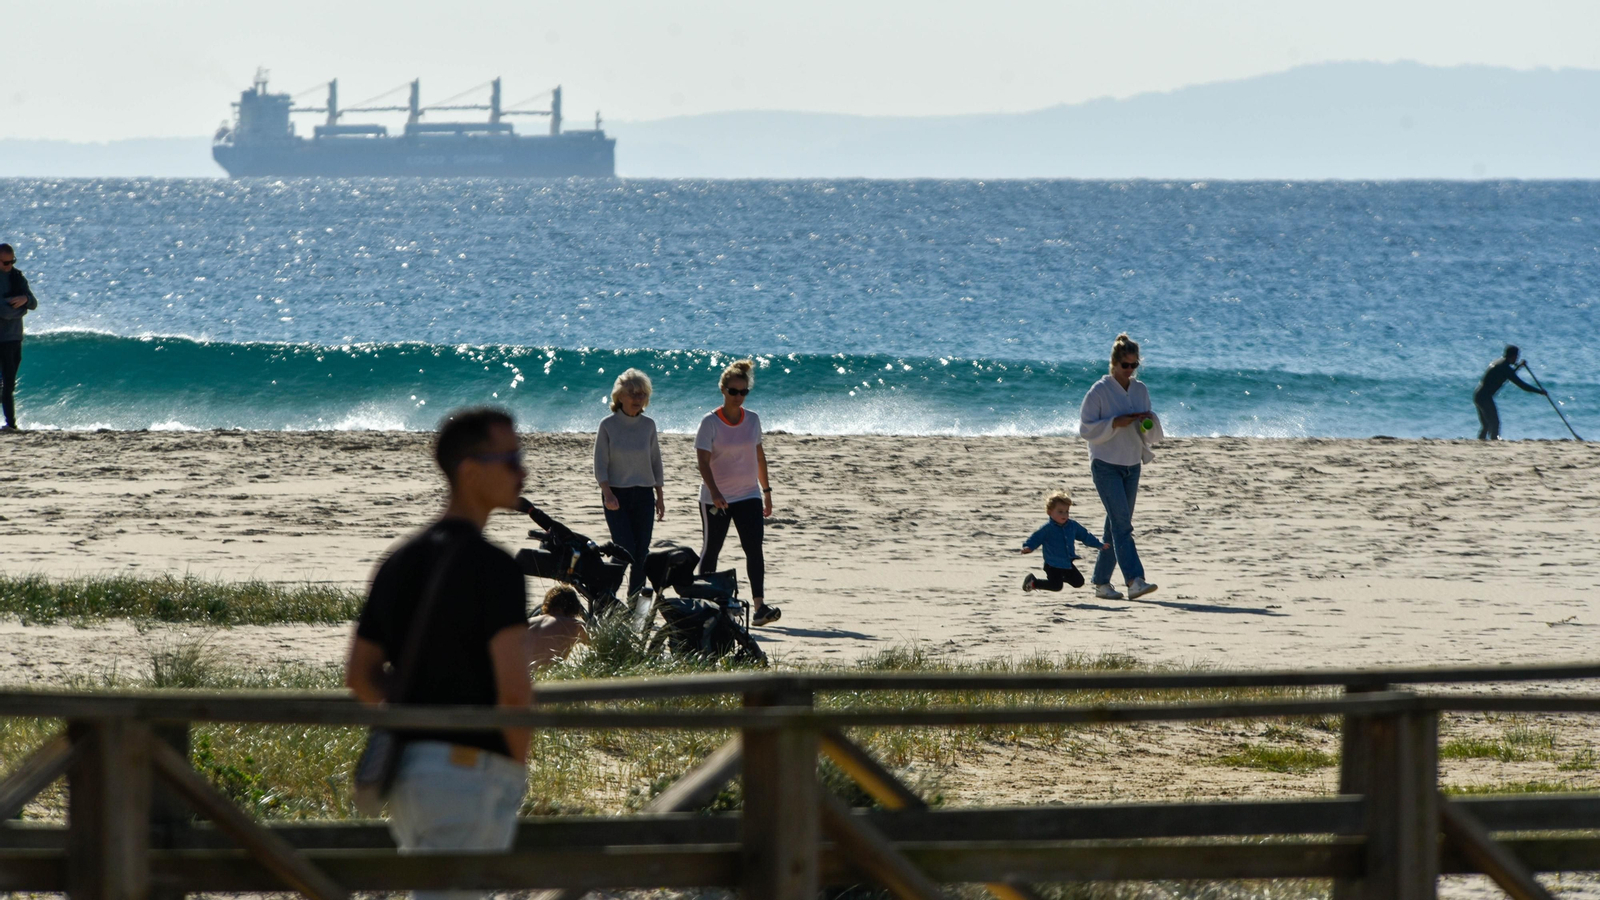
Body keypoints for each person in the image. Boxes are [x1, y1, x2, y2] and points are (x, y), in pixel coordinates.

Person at [344, 407, 531, 898]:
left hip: (410, 772)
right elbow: (514, 691)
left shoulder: (399, 561)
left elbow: (361, 675)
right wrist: (514, 768)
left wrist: (416, 710)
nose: (522, 471)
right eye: (510, 459)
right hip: (472, 770)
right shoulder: (496, 569)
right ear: (471, 471)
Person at [695, 359, 781, 626]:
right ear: (723, 390)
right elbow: (702, 461)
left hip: (748, 494)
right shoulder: (710, 422)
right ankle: (703, 604)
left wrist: (766, 491)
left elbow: (759, 457)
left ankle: (759, 607)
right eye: (733, 392)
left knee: (754, 549)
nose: (738, 397)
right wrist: (715, 491)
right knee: (712, 550)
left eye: (743, 392)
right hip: (716, 498)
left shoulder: (752, 419)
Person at [1079, 333, 1163, 601]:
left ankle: (1102, 583)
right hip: (1105, 465)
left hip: (1131, 464)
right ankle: (1134, 580)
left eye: (1134, 365)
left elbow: (1150, 433)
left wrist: (1146, 422)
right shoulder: (1099, 391)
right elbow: (1085, 429)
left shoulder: (1140, 390)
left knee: (1115, 526)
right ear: (1114, 364)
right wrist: (1116, 422)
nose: (1129, 370)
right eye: (1125, 365)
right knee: (1122, 525)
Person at [594, 368, 666, 598]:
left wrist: (660, 495)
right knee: (624, 549)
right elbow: (600, 463)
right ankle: (607, 595)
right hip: (616, 495)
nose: (638, 398)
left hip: (644, 494)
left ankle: (635, 603)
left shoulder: (648, 425)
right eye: (633, 393)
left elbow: (655, 460)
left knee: (641, 553)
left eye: (642, 394)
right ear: (619, 397)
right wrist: (607, 493)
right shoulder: (608, 425)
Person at [1020, 489, 1108, 593]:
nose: (1064, 515)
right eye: (1060, 512)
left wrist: (1098, 544)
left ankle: (1060, 578)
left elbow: (1085, 536)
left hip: (1067, 563)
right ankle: (1033, 582)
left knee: (1078, 582)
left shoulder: (1072, 526)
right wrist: (1028, 547)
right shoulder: (1047, 528)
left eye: (1067, 511)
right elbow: (1036, 537)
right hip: (1052, 564)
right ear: (1050, 512)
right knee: (1056, 586)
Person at [0, 244, 40, 432]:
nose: (9, 265)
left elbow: (33, 303)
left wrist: (25, 300)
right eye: (5, 263)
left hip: (15, 337)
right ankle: (11, 424)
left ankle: (10, 424)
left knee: (9, 383)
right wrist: (21, 309)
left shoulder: (17, 277)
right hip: (1, 339)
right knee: (5, 383)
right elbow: (4, 311)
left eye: (12, 261)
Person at [1474, 345, 1545, 441]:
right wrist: (1540, 391)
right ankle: (1494, 441)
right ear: (1513, 356)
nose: (1517, 358)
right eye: (1517, 356)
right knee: (1494, 422)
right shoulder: (1504, 367)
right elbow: (1522, 385)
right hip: (1484, 397)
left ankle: (1482, 442)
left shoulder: (1500, 362)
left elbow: (1508, 375)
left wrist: (1519, 366)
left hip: (1478, 394)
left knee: (1486, 424)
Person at [526, 585, 590, 670]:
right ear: (574, 607)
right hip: (547, 678)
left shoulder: (528, 622)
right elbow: (599, 647)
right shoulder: (575, 625)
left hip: (522, 677)